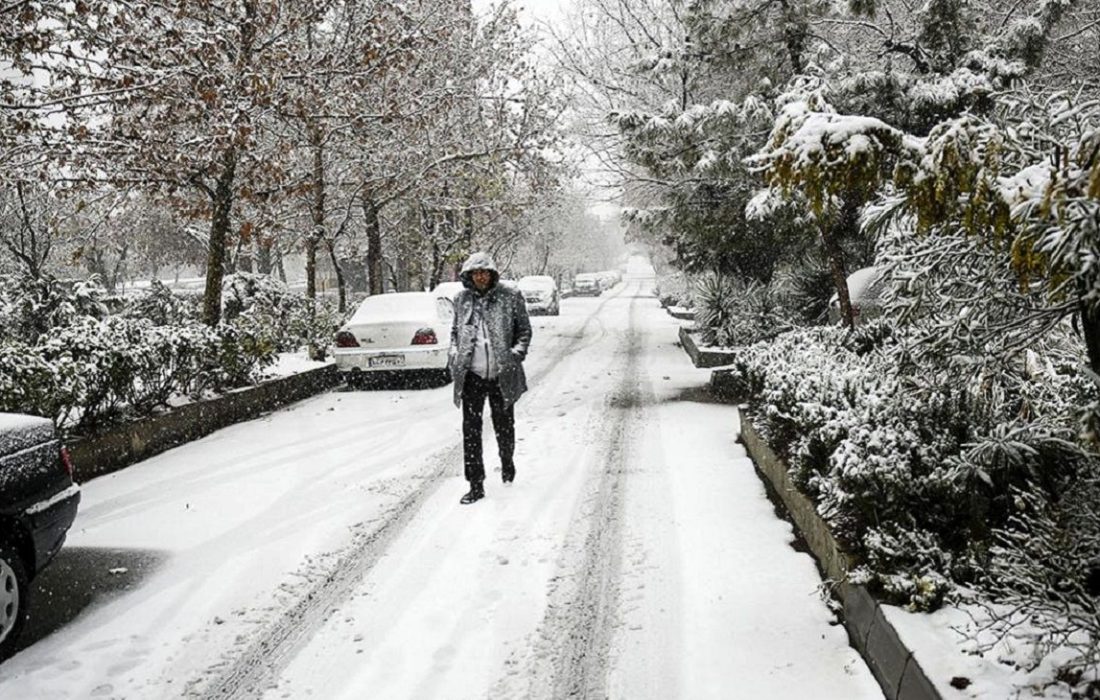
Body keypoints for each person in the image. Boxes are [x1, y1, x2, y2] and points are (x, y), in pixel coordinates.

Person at [448, 252, 532, 505]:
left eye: (484, 272)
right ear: (469, 276)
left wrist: (515, 355)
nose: (480, 277)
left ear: (492, 275)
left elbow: (524, 331)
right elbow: (455, 332)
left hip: (501, 375)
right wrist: (454, 355)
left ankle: (507, 461)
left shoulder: (510, 296)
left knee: (504, 427)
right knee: (471, 432)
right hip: (472, 375)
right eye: (475, 273)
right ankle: (475, 484)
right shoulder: (461, 299)